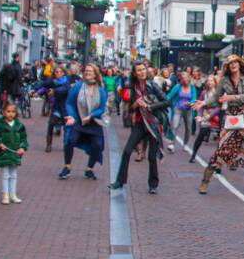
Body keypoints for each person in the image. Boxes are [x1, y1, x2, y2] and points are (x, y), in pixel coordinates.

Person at [192, 55, 244, 194]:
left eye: (235, 62)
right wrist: (204, 103)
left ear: (240, 64)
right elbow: (216, 97)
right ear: (227, 66)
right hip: (232, 117)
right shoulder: (224, 80)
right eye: (230, 63)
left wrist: (232, 97)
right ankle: (205, 182)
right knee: (222, 149)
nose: (233, 65)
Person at [111, 63, 169, 193]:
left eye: (143, 69)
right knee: (127, 151)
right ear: (135, 73)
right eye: (139, 70)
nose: (142, 72)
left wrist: (150, 106)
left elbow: (167, 101)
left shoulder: (152, 85)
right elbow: (131, 109)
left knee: (152, 157)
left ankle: (153, 185)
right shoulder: (133, 87)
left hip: (153, 123)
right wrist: (136, 104)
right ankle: (120, 181)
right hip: (139, 123)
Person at [59, 64, 107, 180]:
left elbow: (102, 108)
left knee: (98, 145)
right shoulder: (78, 86)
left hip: (93, 122)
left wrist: (91, 116)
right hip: (78, 120)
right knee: (70, 140)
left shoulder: (101, 90)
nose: (87, 72)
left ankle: (89, 169)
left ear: (95, 74)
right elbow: (69, 103)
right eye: (86, 71)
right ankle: (67, 166)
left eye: (90, 71)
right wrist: (72, 116)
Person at [0, 101, 28, 205]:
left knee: (14, 174)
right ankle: (5, 195)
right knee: (5, 174)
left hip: (15, 153)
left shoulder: (19, 125)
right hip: (4, 153)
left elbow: (24, 139)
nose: (11, 114)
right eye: (8, 111)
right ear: (3, 112)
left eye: (13, 112)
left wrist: (22, 148)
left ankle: (13, 194)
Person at [36, 65, 71, 152]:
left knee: (67, 128)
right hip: (56, 108)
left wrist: (54, 91)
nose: (58, 73)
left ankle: (66, 145)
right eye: (56, 72)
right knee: (51, 124)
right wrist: (36, 90)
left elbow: (64, 89)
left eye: (60, 72)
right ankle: (48, 144)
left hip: (65, 108)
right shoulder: (53, 81)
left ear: (63, 73)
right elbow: (44, 85)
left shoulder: (66, 82)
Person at [189, 75, 220, 162]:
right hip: (205, 116)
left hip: (216, 117)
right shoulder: (204, 93)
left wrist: (211, 115)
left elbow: (219, 107)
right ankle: (193, 154)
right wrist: (200, 115)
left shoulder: (218, 93)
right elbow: (200, 106)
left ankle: (218, 159)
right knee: (201, 135)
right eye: (208, 81)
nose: (209, 82)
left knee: (220, 139)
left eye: (211, 81)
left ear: (215, 82)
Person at [166, 71, 197, 147]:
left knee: (188, 129)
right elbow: (169, 96)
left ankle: (185, 144)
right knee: (175, 126)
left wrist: (190, 103)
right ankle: (171, 144)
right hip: (178, 108)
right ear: (181, 79)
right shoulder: (177, 86)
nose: (185, 80)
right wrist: (163, 100)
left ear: (189, 78)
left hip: (188, 110)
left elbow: (194, 99)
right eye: (183, 78)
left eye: (186, 78)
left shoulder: (192, 88)